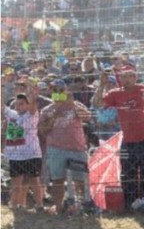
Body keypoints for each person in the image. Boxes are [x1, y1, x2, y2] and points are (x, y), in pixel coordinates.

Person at [92, 67, 144, 210]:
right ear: (119, 79)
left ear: (135, 77)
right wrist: (102, 84)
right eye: (124, 76)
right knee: (127, 172)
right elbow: (97, 103)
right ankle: (130, 204)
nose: (127, 79)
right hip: (128, 140)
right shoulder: (115, 93)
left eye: (130, 76)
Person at [38, 78, 93, 212]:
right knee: (58, 180)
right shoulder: (46, 110)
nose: (58, 93)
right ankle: (59, 207)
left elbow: (87, 117)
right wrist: (55, 114)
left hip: (77, 148)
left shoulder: (75, 105)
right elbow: (42, 130)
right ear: (51, 92)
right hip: (55, 149)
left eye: (61, 90)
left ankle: (83, 205)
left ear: (66, 91)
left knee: (80, 179)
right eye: (55, 90)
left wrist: (72, 103)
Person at [3, 82, 44, 210]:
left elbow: (32, 106)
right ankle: (15, 206)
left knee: (34, 181)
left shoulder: (32, 115)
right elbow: (1, 106)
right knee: (16, 183)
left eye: (21, 104)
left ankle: (39, 206)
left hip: (31, 153)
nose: (18, 106)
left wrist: (30, 93)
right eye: (17, 104)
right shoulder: (12, 115)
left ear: (27, 104)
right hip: (15, 155)